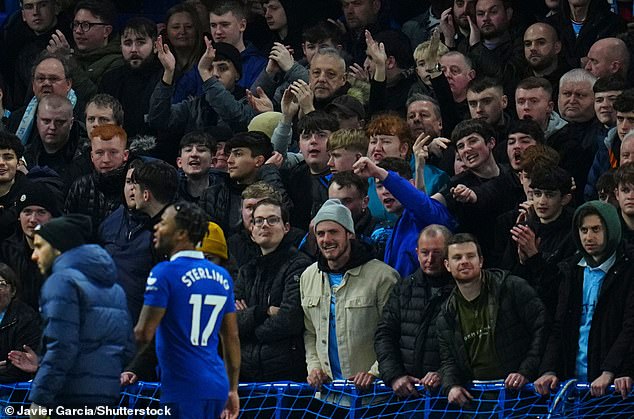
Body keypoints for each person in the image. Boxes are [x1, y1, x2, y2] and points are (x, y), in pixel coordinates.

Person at [134, 202, 240, 419]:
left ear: (181, 234)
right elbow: (231, 337)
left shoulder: (164, 272)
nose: (156, 228)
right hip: (217, 386)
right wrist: (232, 389)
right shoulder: (222, 277)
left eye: (163, 223)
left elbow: (143, 333)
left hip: (182, 388)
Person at [29, 214, 134, 417]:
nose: (34, 255)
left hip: (68, 398)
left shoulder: (61, 281)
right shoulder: (114, 287)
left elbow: (61, 346)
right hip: (107, 398)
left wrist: (40, 398)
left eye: (40, 246)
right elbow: (127, 347)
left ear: (58, 248)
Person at [534, 201, 634, 399]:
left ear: (611, 229)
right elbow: (559, 325)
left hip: (614, 388)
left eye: (596, 229)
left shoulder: (629, 269)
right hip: (574, 384)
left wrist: (611, 371)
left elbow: (630, 327)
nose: (589, 237)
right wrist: (548, 369)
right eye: (584, 230)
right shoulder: (571, 270)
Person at [437, 234, 546, 406]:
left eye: (470, 256)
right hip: (478, 403)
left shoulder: (512, 287)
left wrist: (526, 371)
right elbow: (448, 360)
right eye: (457, 257)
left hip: (522, 398)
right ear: (447, 265)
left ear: (480, 261)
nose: (464, 261)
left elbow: (542, 328)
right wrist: (451, 386)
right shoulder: (445, 314)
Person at [301, 199, 399, 389]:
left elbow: (395, 332)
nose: (326, 239)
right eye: (320, 233)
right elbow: (310, 332)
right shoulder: (308, 277)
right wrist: (314, 367)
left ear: (350, 234)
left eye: (333, 232)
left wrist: (375, 372)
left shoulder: (383, 276)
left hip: (374, 397)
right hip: (327, 397)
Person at [235, 197, 312, 382]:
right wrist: (264, 311)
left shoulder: (299, 265)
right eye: (259, 221)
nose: (264, 225)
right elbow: (229, 322)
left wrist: (250, 328)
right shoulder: (246, 271)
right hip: (247, 377)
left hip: (287, 378)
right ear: (251, 230)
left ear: (286, 227)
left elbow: (289, 319)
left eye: (272, 220)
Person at [374, 225, 454, 397]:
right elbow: (385, 334)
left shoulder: (461, 291)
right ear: (417, 252)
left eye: (437, 253)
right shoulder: (403, 288)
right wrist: (394, 376)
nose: (430, 259)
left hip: (448, 395)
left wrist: (444, 374)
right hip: (405, 396)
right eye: (425, 253)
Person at [0, 181, 61, 311]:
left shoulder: (66, 253)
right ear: (18, 216)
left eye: (41, 212)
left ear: (52, 217)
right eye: (27, 212)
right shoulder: (6, 252)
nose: (33, 219)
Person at [99, 17, 162, 138]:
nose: (134, 49)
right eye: (128, 43)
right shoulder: (110, 79)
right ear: (120, 46)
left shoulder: (166, 77)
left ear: (155, 46)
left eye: (141, 42)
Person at [0, 263, 42, 384]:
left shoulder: (26, 318)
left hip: (13, 390)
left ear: (13, 291)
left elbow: (20, 366)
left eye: (1, 285)